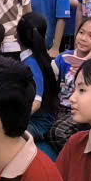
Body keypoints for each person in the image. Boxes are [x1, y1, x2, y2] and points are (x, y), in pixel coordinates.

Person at [46, 17, 91, 149]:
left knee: (58, 133)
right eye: (81, 32)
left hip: (78, 111)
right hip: (58, 107)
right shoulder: (63, 57)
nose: (83, 38)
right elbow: (50, 79)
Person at [16, 13, 61, 142]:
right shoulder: (36, 58)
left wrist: (14, 121)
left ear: (17, 34)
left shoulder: (31, 64)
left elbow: (36, 103)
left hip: (38, 123)